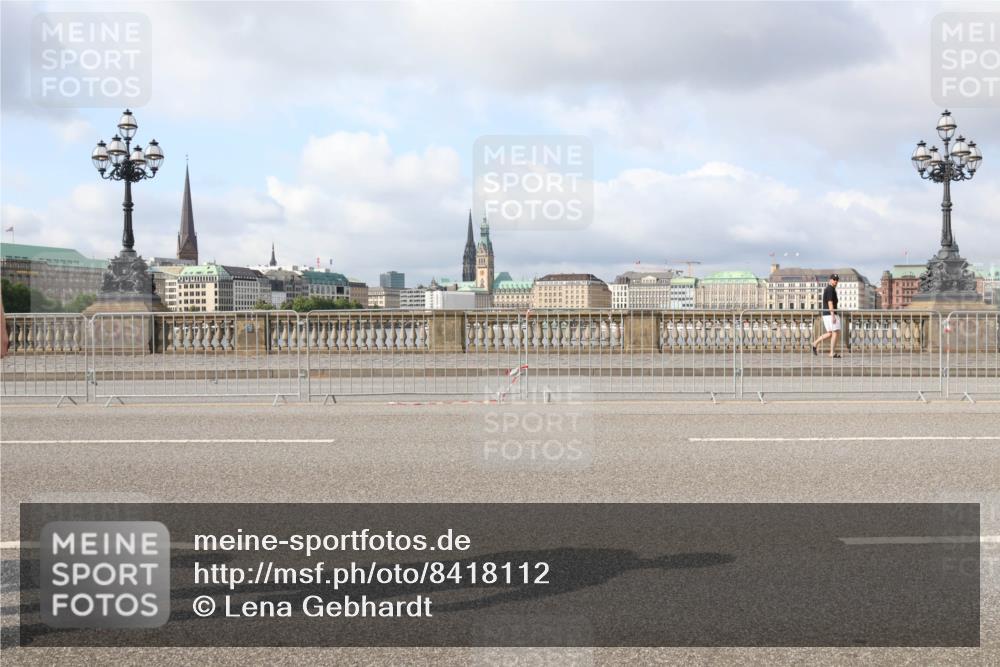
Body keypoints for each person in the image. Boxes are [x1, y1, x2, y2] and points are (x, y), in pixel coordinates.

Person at [812, 274, 841, 358]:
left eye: (837, 280)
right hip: (830, 314)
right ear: (830, 280)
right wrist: (833, 315)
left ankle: (815, 343)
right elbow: (830, 302)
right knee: (835, 332)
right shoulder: (830, 289)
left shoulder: (830, 289)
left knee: (829, 333)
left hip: (826, 314)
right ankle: (832, 353)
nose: (836, 281)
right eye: (834, 279)